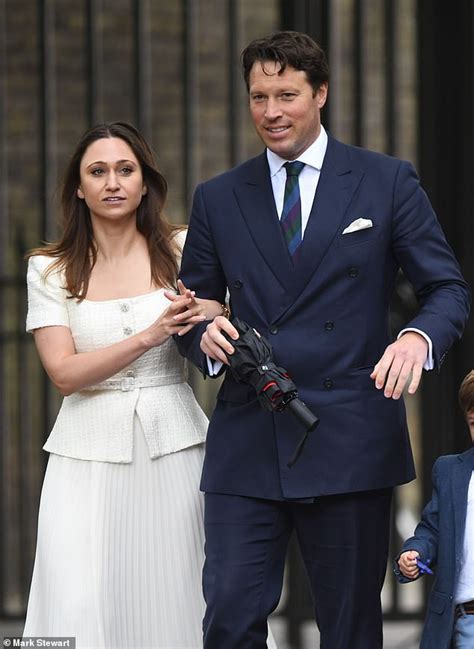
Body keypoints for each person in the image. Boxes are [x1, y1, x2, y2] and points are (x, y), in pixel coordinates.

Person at [175, 31, 471, 649]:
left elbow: (447, 289)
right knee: (228, 614)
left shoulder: (386, 181)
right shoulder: (219, 197)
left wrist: (416, 338)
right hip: (249, 436)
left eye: (286, 94)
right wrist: (207, 333)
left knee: (350, 628)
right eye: (258, 97)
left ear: (321, 93)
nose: (271, 111)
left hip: (349, 436)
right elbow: (191, 309)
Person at [23, 121, 224, 648]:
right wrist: (151, 333)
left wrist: (211, 308)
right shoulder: (48, 270)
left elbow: (223, 313)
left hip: (176, 446)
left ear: (144, 183)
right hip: (84, 456)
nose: (112, 182)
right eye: (98, 171)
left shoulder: (182, 249)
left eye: (125, 170)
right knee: (79, 593)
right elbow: (63, 374)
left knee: (182, 584)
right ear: (78, 187)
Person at [395, 370, 474, 649]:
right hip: (466, 619)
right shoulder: (451, 471)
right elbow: (432, 529)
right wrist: (415, 551)